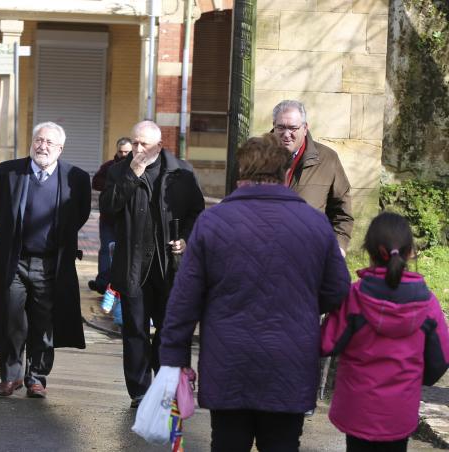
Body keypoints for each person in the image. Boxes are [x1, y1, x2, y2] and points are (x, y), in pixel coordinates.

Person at [157, 134, 350, 451]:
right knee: (283, 444)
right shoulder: (315, 225)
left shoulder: (212, 222)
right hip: (291, 359)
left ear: (240, 172)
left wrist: (174, 357)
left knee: (228, 442)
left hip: (228, 359)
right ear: (284, 172)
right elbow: (338, 291)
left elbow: (184, 299)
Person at [321, 212, 449, 452]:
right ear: (410, 251)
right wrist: (415, 380)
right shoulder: (428, 304)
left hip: (357, 409)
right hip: (399, 411)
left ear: (369, 251)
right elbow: (440, 360)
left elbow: (328, 344)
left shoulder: (355, 297)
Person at [99, 120, 204, 408]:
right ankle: (140, 391)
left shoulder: (181, 172)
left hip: (169, 265)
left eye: (143, 144)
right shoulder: (120, 170)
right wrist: (132, 176)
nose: (137, 149)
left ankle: (166, 383)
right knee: (134, 330)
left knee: (168, 328)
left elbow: (197, 212)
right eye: (134, 143)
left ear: (159, 145)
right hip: (133, 263)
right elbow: (108, 207)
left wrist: (185, 238)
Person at [0, 122, 91, 399]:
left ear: (60, 148)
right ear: (31, 142)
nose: (42, 146)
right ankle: (11, 377)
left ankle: (37, 377)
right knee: (12, 319)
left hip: (50, 264)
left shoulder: (76, 178)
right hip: (14, 261)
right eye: (38, 140)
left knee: (44, 322)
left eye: (49, 142)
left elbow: (79, 215)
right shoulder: (8, 172)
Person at [272, 99, 353, 254]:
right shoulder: (255, 157)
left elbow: (342, 213)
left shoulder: (327, 159)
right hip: (263, 257)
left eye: (293, 128)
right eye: (281, 127)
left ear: (305, 128)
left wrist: (338, 249)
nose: (286, 134)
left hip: (310, 257)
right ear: (273, 125)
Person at [88, 136, 132, 294]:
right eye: (121, 151)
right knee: (106, 250)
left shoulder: (137, 167)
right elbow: (96, 182)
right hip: (108, 218)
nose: (124, 155)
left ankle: (118, 284)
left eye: (127, 151)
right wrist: (113, 184)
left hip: (127, 219)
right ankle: (102, 283)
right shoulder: (109, 167)